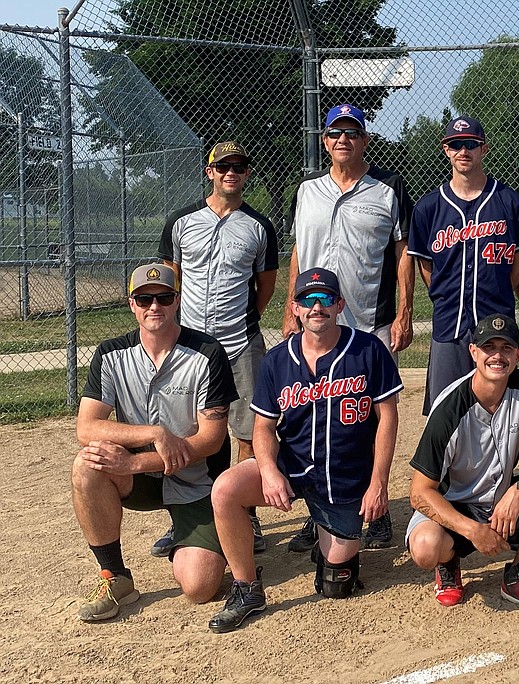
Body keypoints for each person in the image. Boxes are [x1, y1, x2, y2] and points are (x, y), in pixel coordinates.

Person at [207, 268, 403, 632]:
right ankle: (246, 587)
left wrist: (379, 483)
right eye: (307, 300)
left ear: (339, 305)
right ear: (295, 308)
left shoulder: (368, 350)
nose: (317, 306)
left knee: (337, 585)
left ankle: (326, 532)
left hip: (344, 476)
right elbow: (263, 427)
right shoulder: (278, 360)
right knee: (225, 489)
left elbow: (388, 418)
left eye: (325, 298)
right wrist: (268, 470)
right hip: (293, 465)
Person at [282, 103, 413, 551]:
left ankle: (375, 510)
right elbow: (300, 250)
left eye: (352, 133)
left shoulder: (388, 189)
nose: (343, 140)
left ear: (365, 140)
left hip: (369, 322)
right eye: (335, 133)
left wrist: (404, 312)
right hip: (315, 321)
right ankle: (321, 510)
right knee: (314, 416)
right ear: (325, 141)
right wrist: (288, 308)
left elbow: (403, 255)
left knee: (373, 418)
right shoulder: (306, 191)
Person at [72, 263, 234, 622]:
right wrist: (154, 433)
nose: (153, 306)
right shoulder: (111, 354)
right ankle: (114, 577)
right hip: (143, 481)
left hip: (197, 482)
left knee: (199, 587)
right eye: (144, 298)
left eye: (163, 297)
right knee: (87, 463)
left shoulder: (208, 353)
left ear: (177, 301)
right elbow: (86, 427)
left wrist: (134, 462)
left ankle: (192, 534)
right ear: (132, 304)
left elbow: (210, 440)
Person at [156, 140, 278, 558]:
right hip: (190, 346)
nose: (231, 172)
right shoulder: (181, 221)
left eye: (239, 166)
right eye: (223, 165)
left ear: (246, 174)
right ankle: (190, 518)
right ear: (209, 171)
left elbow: (266, 285)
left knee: (247, 431)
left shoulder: (258, 226)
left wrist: (244, 320)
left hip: (240, 342)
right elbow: (170, 282)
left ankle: (245, 514)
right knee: (189, 432)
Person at [406, 314, 519, 617]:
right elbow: (419, 492)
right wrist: (472, 530)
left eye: (507, 348)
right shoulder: (450, 408)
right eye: (488, 347)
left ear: (518, 355)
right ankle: (448, 563)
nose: (497, 356)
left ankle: (518, 573)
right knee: (425, 547)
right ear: (473, 352)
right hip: (455, 506)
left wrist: (518, 493)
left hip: (500, 501)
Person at [408, 116, 519, 415]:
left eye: (471, 144)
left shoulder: (510, 202)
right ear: (446, 150)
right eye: (456, 145)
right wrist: (446, 293)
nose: (463, 151)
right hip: (448, 322)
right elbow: (427, 268)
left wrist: (498, 288)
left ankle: (496, 464)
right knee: (446, 410)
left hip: (496, 321)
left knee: (497, 409)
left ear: (484, 150)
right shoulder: (429, 207)